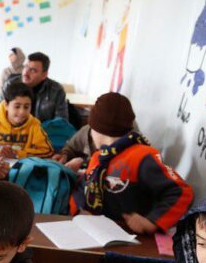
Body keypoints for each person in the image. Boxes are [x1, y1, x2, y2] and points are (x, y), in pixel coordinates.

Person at [69, 92, 193, 235]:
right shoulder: (98, 158)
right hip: (97, 234)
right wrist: (79, 210)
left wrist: (152, 221)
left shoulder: (143, 156)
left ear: (97, 129)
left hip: (132, 240)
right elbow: (81, 186)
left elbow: (181, 191)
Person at [0, 81, 54, 159]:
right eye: (17, 106)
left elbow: (47, 151)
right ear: (6, 105)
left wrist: (17, 153)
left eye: (26, 107)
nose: (22, 112)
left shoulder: (34, 124)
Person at [3, 52, 68, 122]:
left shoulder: (56, 90)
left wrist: (36, 129)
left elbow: (61, 121)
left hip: (43, 131)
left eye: (33, 70)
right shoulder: (10, 84)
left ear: (44, 75)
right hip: (12, 131)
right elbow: (0, 115)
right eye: (26, 67)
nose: (25, 73)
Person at [53, 120, 140, 172]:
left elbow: (109, 165)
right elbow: (71, 147)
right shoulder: (88, 130)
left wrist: (83, 163)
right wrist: (64, 155)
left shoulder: (134, 145)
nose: (109, 141)